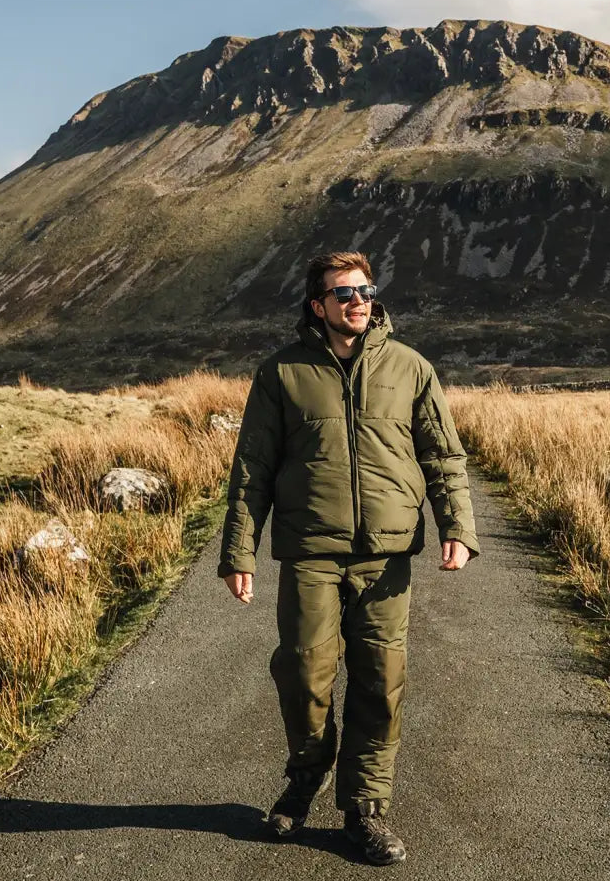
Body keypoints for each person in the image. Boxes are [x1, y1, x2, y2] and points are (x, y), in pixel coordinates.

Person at [218, 249, 478, 866]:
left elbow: (444, 455)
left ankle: (364, 808)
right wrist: (239, 551)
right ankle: (308, 774)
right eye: (344, 293)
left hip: (385, 557)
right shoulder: (281, 373)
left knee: (380, 682)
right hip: (310, 551)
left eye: (365, 289)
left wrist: (458, 527)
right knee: (304, 673)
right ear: (319, 305)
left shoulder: (411, 368)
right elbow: (251, 469)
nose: (358, 300)